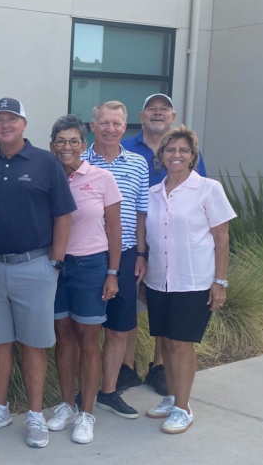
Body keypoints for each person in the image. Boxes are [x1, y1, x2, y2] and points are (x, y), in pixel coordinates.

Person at [0, 97, 75, 449]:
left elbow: (63, 214)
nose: (5, 124)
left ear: (24, 124)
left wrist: (55, 263)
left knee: (34, 343)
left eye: (11, 118)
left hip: (35, 266)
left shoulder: (46, 163)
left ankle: (35, 415)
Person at [144, 126, 235, 434]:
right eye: (170, 150)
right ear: (161, 155)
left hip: (193, 281)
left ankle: (183, 408)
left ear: (193, 156)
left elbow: (221, 238)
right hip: (159, 280)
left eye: (183, 150)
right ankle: (171, 397)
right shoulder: (154, 193)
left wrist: (219, 281)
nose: (176, 155)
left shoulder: (209, 189)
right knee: (167, 341)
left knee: (182, 343)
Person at [121, 94, 210, 395]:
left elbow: (205, 207)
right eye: (151, 109)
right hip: (134, 242)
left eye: (164, 109)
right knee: (130, 306)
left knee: (167, 312)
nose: (157, 113)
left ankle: (160, 368)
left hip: (175, 251)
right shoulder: (125, 147)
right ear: (141, 116)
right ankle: (126, 367)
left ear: (172, 117)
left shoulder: (187, 156)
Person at [46, 115, 123, 444]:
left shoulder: (102, 178)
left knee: (89, 338)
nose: (67, 147)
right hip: (54, 266)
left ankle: (87, 412)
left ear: (83, 144)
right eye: (61, 141)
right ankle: (66, 404)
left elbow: (115, 229)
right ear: (52, 146)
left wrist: (113, 273)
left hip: (92, 265)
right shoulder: (46, 179)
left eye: (73, 141)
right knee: (63, 336)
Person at [80, 101, 149, 420]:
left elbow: (140, 213)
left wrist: (142, 254)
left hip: (126, 255)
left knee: (119, 327)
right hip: (84, 254)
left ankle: (108, 391)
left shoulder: (138, 164)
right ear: (92, 126)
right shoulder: (76, 160)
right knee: (85, 327)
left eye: (117, 124)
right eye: (104, 123)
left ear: (125, 127)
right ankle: (84, 389)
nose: (111, 129)